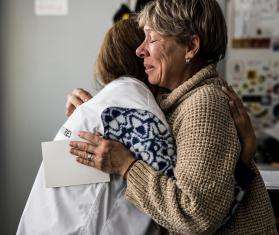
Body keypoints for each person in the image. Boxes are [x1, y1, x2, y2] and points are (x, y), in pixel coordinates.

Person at [67, 0, 277, 234]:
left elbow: (195, 215)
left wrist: (126, 165)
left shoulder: (203, 103)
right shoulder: (175, 101)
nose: (140, 50)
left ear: (190, 47)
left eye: (152, 38)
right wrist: (91, 110)